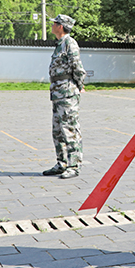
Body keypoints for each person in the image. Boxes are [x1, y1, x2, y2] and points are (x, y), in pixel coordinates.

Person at [43, 14, 87, 179]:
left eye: (54, 23)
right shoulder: (60, 44)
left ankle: (74, 165)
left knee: (69, 129)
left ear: (60, 26)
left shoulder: (70, 43)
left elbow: (78, 68)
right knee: (58, 131)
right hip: (57, 93)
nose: (52, 26)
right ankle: (61, 163)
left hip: (67, 93)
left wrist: (79, 85)